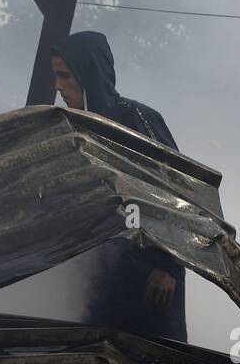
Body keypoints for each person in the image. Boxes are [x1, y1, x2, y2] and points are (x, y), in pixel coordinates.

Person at [51, 30, 187, 343]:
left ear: (88, 74)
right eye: (55, 76)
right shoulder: (68, 128)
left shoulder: (136, 120)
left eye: (65, 75)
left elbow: (178, 195)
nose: (58, 86)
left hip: (151, 281)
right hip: (98, 279)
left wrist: (168, 265)